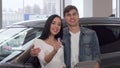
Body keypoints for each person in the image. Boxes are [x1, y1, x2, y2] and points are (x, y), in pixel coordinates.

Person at [31, 5, 100, 68]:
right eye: (68, 15)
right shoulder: (60, 35)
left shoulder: (91, 34)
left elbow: (97, 57)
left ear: (78, 15)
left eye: (74, 14)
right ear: (65, 18)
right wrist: (32, 54)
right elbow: (46, 45)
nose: (72, 17)